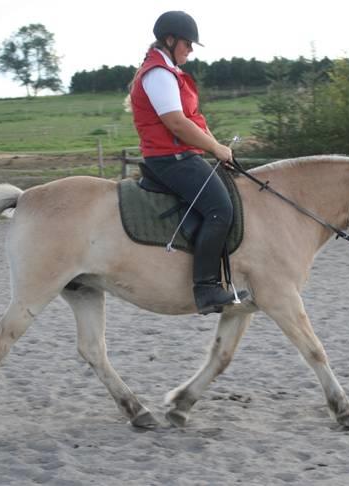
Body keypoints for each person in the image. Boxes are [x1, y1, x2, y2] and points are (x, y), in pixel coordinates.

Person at [129, 10, 248, 315]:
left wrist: (219, 148)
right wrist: (215, 149)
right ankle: (206, 287)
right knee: (220, 209)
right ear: (169, 40)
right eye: (187, 43)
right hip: (170, 159)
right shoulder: (158, 73)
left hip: (184, 155)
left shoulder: (171, 72)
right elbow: (177, 124)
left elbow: (195, 121)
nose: (191, 50)